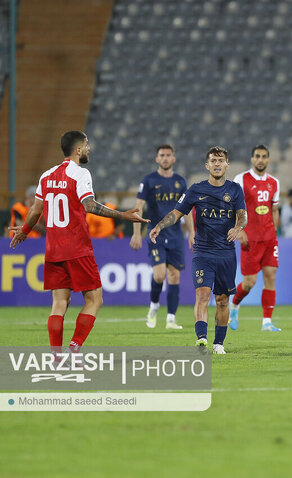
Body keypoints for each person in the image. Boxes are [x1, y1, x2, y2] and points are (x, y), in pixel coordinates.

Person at [9, 131, 148, 354]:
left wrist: (25, 230)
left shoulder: (46, 176)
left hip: (53, 250)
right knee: (95, 299)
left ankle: (56, 355)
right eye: (86, 144)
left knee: (59, 303)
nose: (89, 148)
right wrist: (123, 215)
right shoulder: (80, 174)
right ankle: (74, 348)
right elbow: (89, 205)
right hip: (77, 248)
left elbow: (36, 210)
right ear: (78, 150)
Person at [149, 146, 246, 355]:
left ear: (227, 165)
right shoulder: (195, 189)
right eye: (213, 160)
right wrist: (159, 225)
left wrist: (238, 228)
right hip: (203, 252)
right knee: (202, 295)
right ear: (207, 165)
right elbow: (176, 213)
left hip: (226, 253)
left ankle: (218, 343)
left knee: (222, 300)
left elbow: (242, 215)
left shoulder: (235, 190)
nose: (217, 164)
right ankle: (201, 338)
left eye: (221, 160)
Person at [130, 145, 195, 330]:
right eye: (162, 155)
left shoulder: (180, 181)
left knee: (174, 276)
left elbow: (187, 210)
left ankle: (171, 319)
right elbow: (138, 207)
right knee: (159, 275)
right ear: (157, 159)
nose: (165, 158)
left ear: (173, 159)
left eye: (168, 155)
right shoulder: (149, 180)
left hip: (176, 235)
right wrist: (136, 233)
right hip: (155, 233)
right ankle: (153, 307)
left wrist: (192, 234)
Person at [228, 144, 281, 332]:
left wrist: (275, 231)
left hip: (269, 239)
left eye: (264, 156)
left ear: (268, 159)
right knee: (250, 282)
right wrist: (238, 229)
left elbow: (274, 209)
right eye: (257, 156)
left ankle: (267, 322)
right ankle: (234, 306)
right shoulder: (241, 179)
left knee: (270, 276)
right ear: (252, 159)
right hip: (249, 238)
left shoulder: (274, 182)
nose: (261, 159)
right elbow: (234, 207)